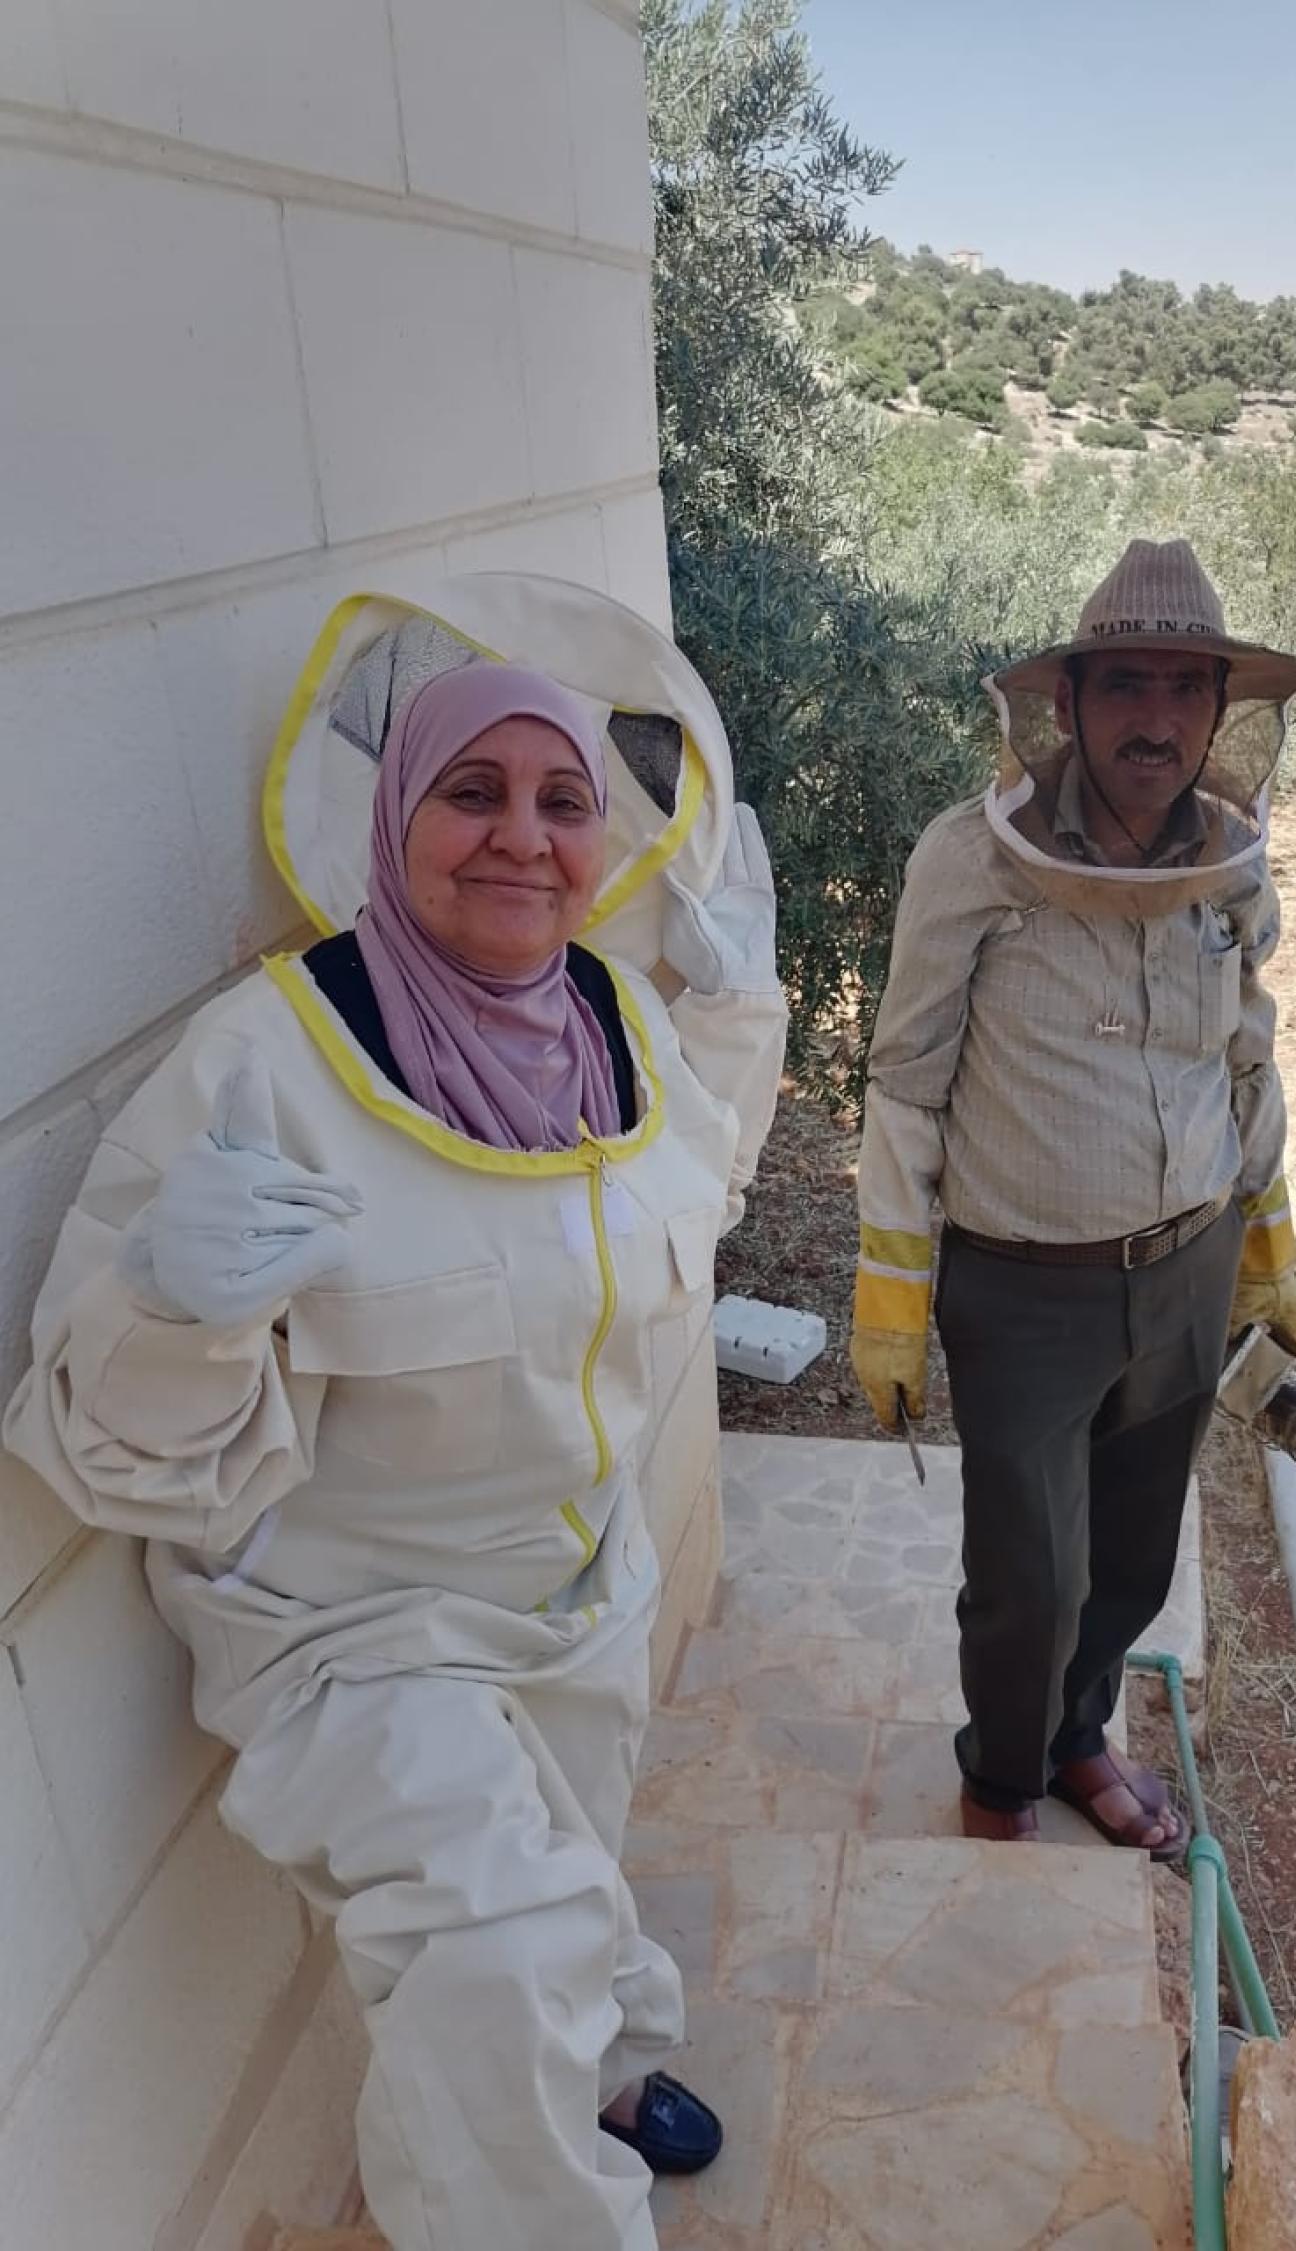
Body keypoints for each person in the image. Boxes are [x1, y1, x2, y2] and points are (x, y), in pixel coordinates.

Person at [5, 597, 787, 2251]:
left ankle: (616, 2065)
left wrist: (732, 1015)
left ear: (602, 838)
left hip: (576, 1585)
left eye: (561, 801)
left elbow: (689, 1193)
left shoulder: (615, 1025)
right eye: (471, 794)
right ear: (394, 814)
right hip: (348, 1626)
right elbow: (97, 1439)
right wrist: (168, 1304)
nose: (520, 838)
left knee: (577, 1859)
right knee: (495, 1952)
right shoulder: (268, 1063)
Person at [849, 538, 1296, 1850]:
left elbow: (1249, 1055)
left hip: (1188, 1266)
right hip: (1024, 1288)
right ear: (1072, 702)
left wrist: (1266, 1244)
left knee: (1130, 1561)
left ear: (1221, 713)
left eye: (1184, 689)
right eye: (1127, 686)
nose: (1155, 719)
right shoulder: (970, 859)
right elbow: (904, 1084)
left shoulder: (1230, 866)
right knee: (1029, 1578)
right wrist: (890, 1300)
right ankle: (1000, 1780)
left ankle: (1075, 1743)